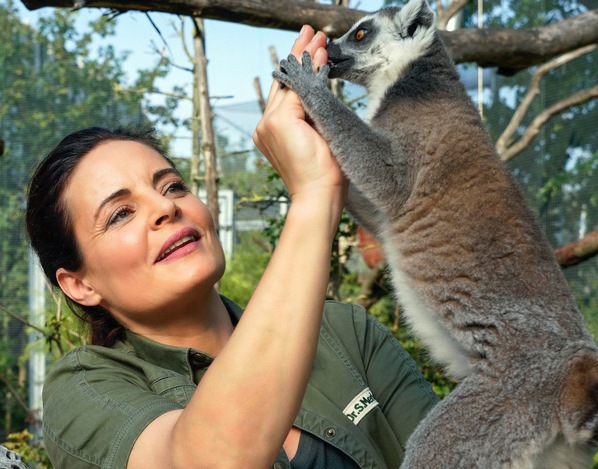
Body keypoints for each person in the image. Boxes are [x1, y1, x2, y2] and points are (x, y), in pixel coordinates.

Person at [25, 26, 438, 469]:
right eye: (120, 213)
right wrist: (316, 195)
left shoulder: (344, 333)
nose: (165, 207)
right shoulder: (84, 391)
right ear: (79, 284)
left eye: (173, 186)